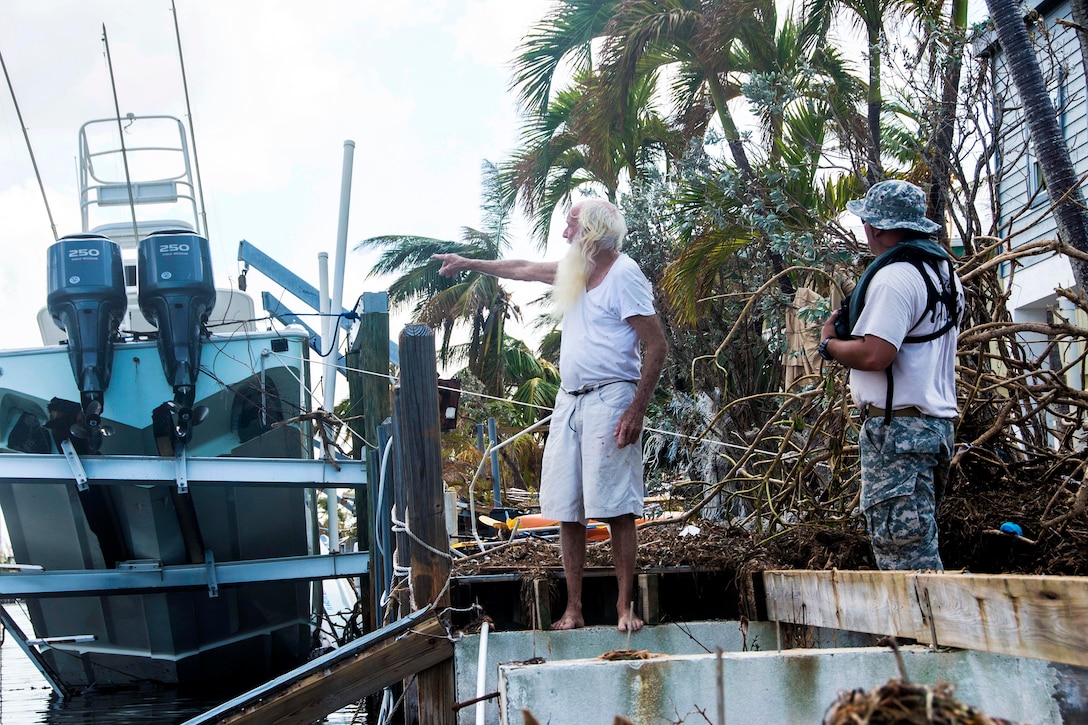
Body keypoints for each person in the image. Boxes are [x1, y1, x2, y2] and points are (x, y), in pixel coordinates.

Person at [432, 199, 666, 632]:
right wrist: (469, 262)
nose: (564, 234)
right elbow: (521, 268)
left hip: (613, 397)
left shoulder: (625, 275)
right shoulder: (575, 271)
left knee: (616, 508)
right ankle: (573, 610)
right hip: (570, 400)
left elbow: (657, 345)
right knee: (567, 508)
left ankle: (623, 608)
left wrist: (636, 409)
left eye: (570, 225)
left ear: (593, 232)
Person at [818, 180, 964, 571]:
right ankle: (925, 631)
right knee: (919, 542)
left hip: (898, 431)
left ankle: (918, 633)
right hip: (933, 428)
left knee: (904, 555)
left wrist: (828, 345)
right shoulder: (945, 275)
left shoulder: (896, 277)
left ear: (877, 227)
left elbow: (875, 353)